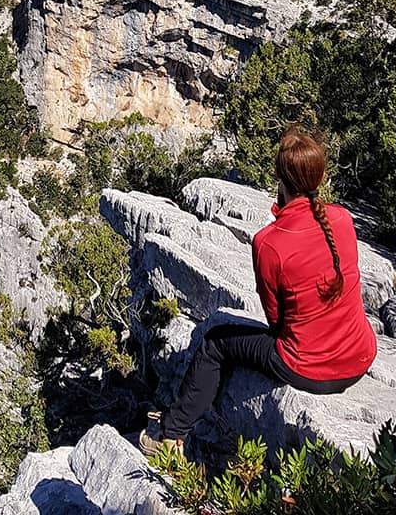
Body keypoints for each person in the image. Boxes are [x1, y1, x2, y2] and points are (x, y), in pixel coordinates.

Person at [140, 126, 377, 456]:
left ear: (279, 177)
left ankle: (170, 433)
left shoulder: (270, 242)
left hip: (308, 368)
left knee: (214, 344)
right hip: (360, 355)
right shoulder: (341, 219)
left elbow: (276, 321)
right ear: (319, 178)